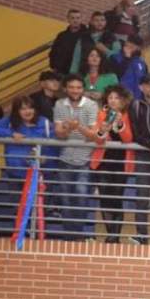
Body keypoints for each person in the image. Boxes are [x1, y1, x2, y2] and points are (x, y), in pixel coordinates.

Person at [53, 74, 99, 240]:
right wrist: (68, 128)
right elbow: (59, 134)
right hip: (65, 158)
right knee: (65, 198)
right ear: (65, 88)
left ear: (83, 89)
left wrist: (77, 126)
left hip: (85, 159)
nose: (75, 90)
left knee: (81, 196)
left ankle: (77, 234)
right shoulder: (59, 104)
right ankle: (69, 235)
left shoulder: (91, 105)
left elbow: (94, 135)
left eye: (78, 87)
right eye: (71, 87)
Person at [89, 86, 135, 243]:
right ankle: (111, 235)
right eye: (110, 98)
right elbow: (97, 139)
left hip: (121, 162)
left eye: (117, 98)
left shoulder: (129, 115)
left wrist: (120, 124)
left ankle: (115, 236)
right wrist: (102, 131)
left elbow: (128, 139)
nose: (113, 101)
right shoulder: (101, 114)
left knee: (116, 198)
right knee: (105, 198)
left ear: (123, 100)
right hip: (103, 162)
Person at [50, 9, 87, 75]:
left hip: (78, 72)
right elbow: (54, 51)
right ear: (68, 19)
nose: (75, 20)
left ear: (81, 19)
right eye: (72, 18)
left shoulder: (86, 35)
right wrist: (54, 65)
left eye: (78, 18)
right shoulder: (62, 35)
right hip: (60, 71)